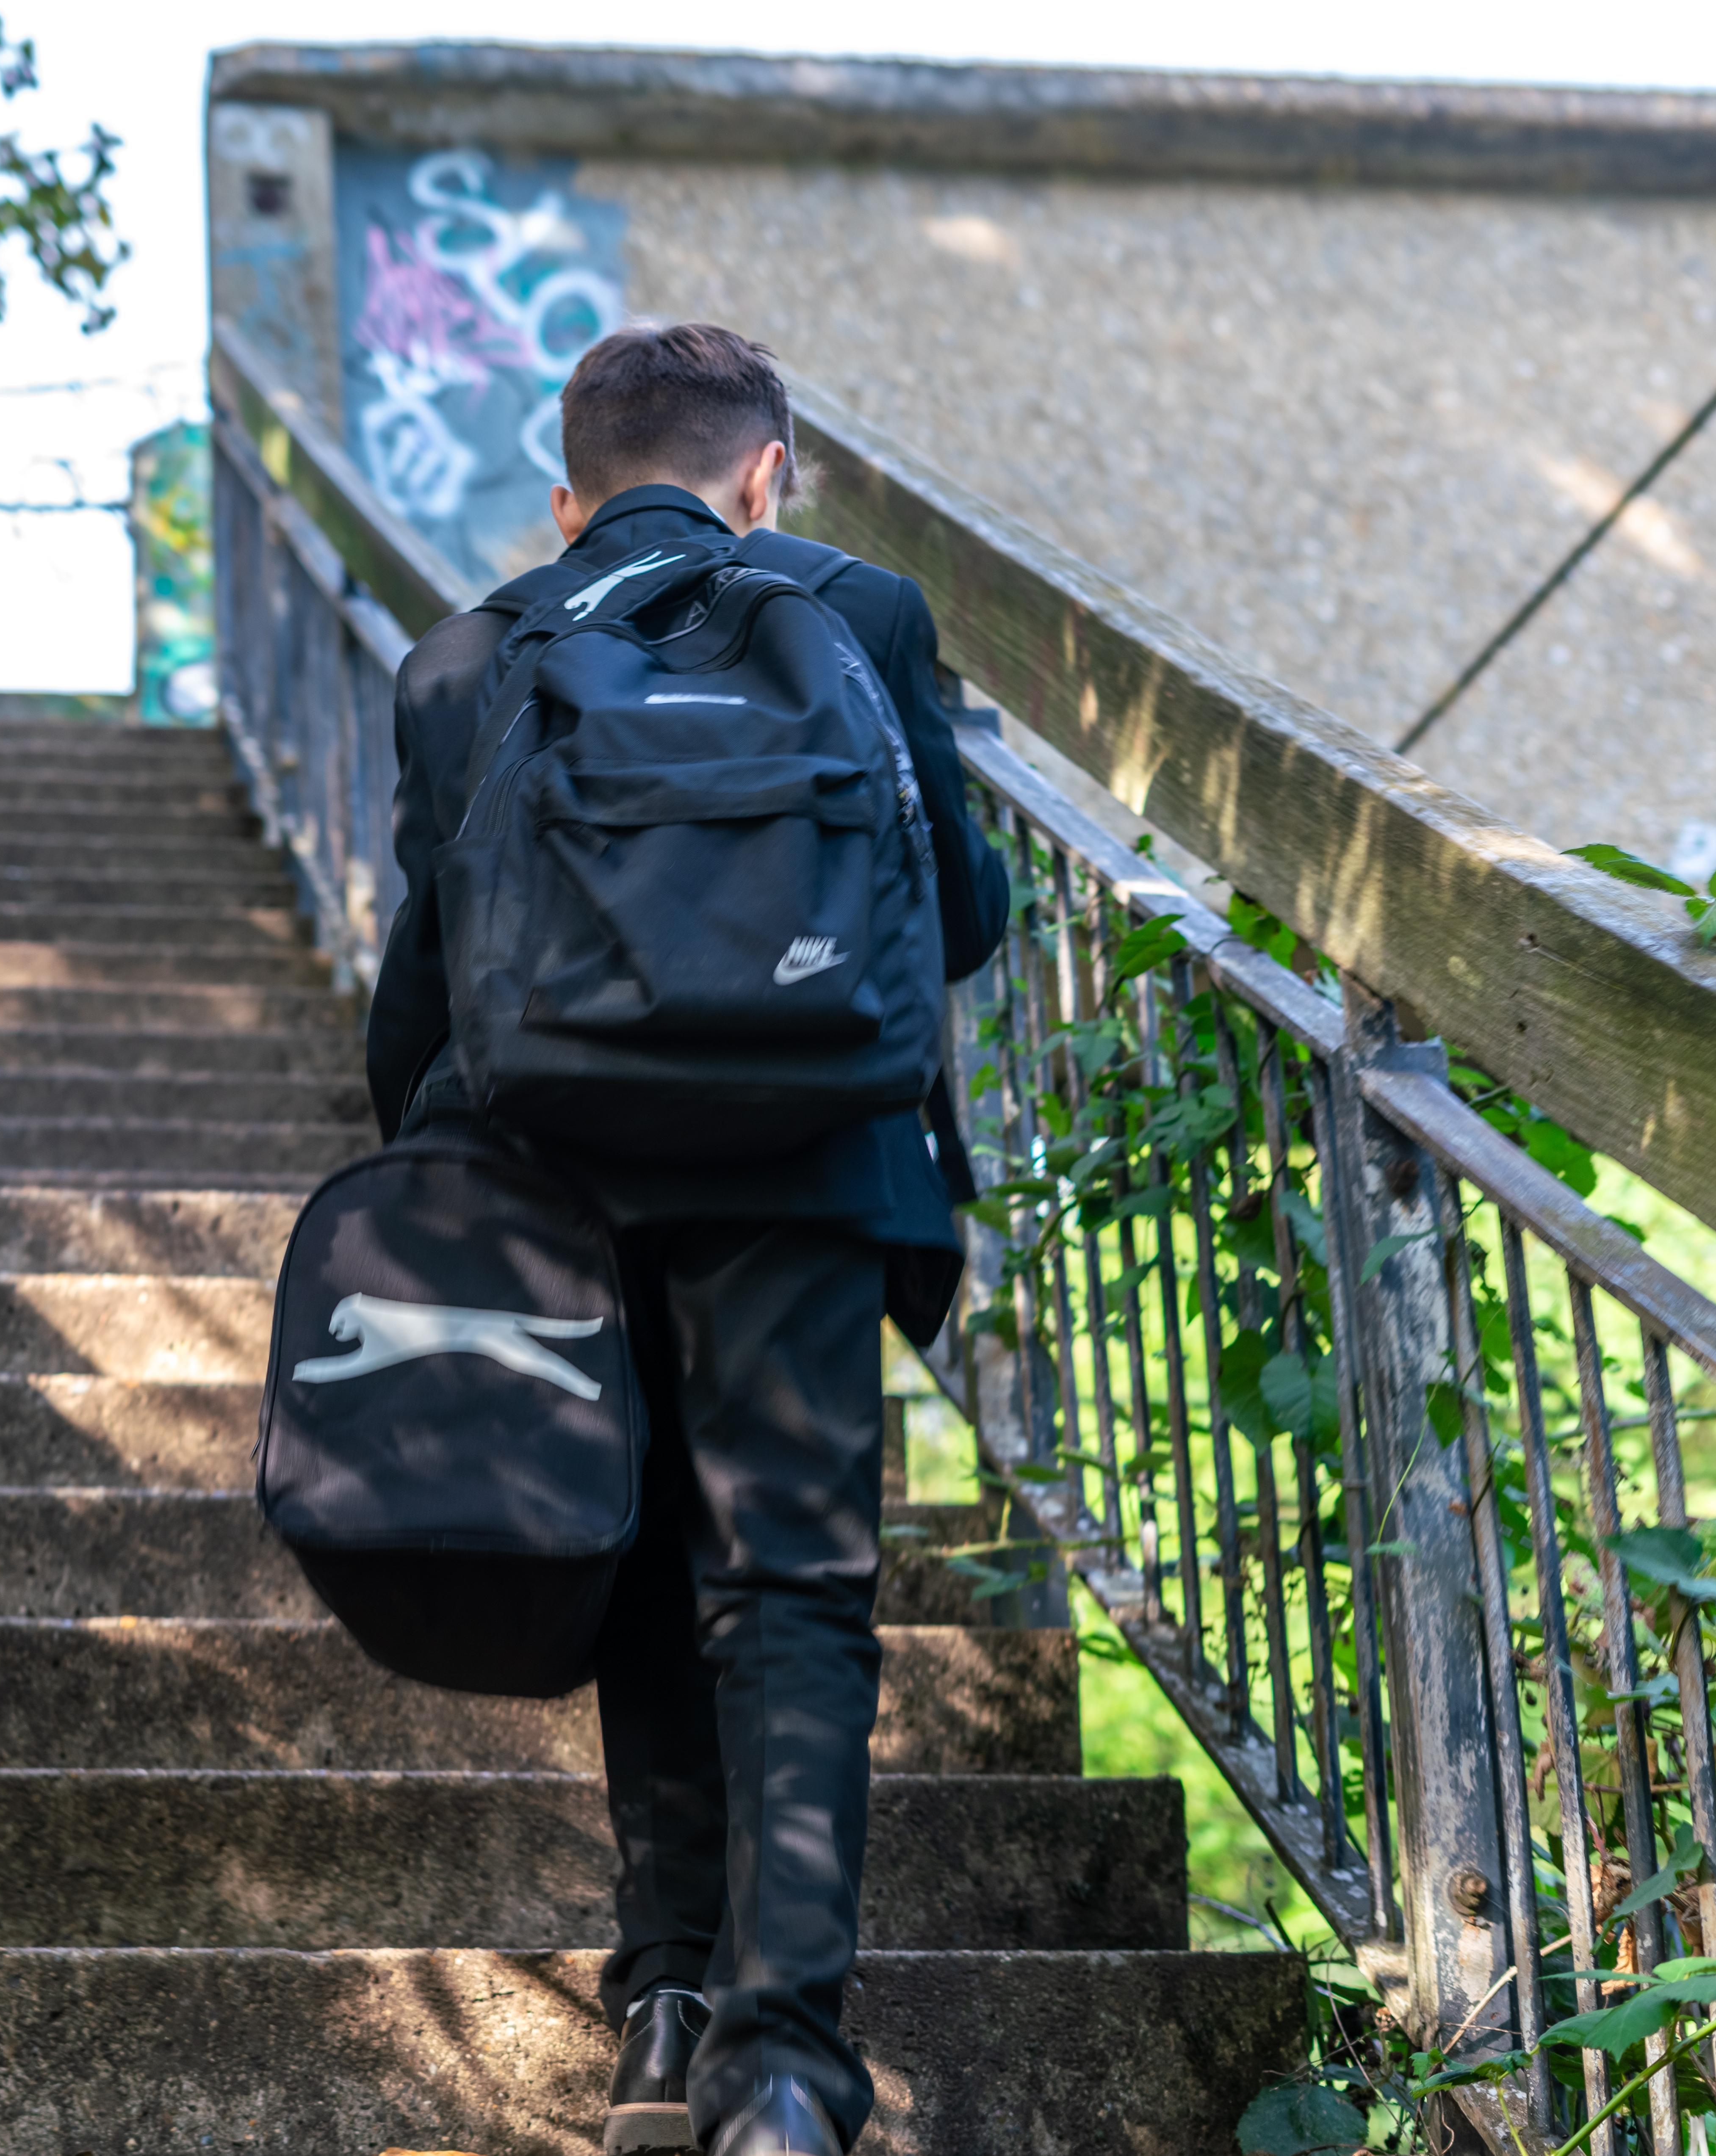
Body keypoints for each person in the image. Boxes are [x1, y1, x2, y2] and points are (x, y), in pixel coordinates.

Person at [363, 322, 1012, 2156]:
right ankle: (783, 2074)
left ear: (566, 501)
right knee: (789, 1592)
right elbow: (951, 917)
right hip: (810, 1165)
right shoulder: (860, 612)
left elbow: (423, 988)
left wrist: (419, 1190)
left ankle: (658, 2011)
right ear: (765, 474)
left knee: (634, 1561)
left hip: (555, 1175)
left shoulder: (469, 654)